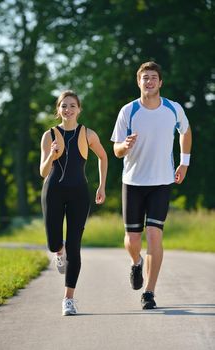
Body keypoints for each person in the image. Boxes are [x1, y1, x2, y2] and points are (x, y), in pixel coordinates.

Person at [111, 61, 192, 309]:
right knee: (132, 239)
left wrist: (184, 163)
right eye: (145, 77)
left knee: (154, 235)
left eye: (153, 77)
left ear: (160, 82)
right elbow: (115, 150)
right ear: (139, 82)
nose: (149, 81)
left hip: (162, 181)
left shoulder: (173, 108)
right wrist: (125, 146)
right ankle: (136, 264)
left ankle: (149, 292)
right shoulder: (128, 111)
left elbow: (186, 132)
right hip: (133, 182)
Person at [40, 90, 108, 316]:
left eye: (72, 105)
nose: (67, 110)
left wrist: (101, 185)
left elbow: (103, 156)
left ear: (79, 109)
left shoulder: (88, 134)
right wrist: (51, 155)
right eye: (63, 106)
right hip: (53, 191)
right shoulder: (48, 135)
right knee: (53, 243)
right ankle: (58, 253)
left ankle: (68, 299)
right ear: (57, 110)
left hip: (79, 192)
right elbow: (43, 172)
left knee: (74, 246)